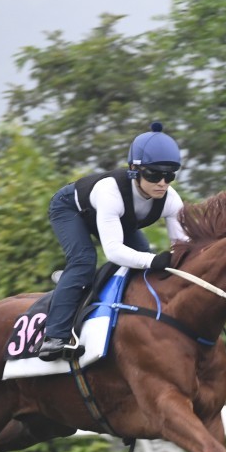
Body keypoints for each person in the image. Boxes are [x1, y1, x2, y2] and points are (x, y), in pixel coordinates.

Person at [38, 122, 188, 361]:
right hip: (70, 209)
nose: (162, 183)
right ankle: (54, 336)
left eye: (169, 175)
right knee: (84, 260)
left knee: (140, 255)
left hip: (115, 217)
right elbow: (114, 251)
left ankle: (89, 291)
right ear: (133, 169)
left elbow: (182, 247)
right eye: (153, 174)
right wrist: (154, 260)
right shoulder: (111, 192)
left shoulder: (171, 200)